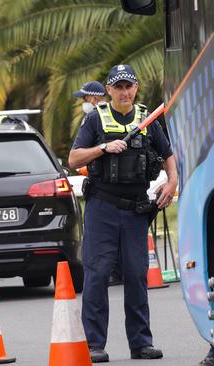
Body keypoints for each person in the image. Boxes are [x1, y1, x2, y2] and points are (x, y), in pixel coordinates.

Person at [68, 64, 178, 363]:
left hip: (135, 209)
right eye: (119, 87)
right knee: (97, 274)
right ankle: (93, 344)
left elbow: (168, 155)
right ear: (109, 90)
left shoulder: (147, 119)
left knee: (136, 275)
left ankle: (141, 343)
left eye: (129, 86)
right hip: (102, 207)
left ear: (136, 88)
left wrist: (172, 182)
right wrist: (103, 148)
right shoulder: (95, 119)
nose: (125, 92)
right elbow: (74, 157)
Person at [74, 81, 123, 287]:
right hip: (108, 184)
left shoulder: (95, 118)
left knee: (105, 238)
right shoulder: (105, 116)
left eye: (85, 98)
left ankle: (113, 271)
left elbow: (80, 154)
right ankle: (116, 270)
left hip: (104, 187)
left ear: (94, 98)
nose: (84, 102)